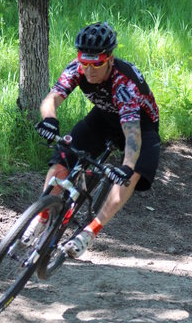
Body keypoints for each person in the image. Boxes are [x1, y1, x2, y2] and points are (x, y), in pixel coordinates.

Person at [22, 21, 160, 258]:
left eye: (96, 64)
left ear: (109, 59)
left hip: (141, 128)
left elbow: (132, 134)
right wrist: (50, 120)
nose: (89, 70)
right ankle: (42, 216)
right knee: (62, 158)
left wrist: (126, 167)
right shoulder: (77, 68)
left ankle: (89, 232)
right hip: (104, 118)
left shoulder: (124, 84)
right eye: (84, 63)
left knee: (131, 175)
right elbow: (51, 100)